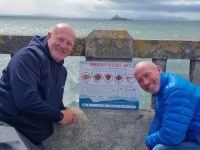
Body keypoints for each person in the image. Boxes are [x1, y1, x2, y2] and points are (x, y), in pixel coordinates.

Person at [0, 23, 76, 150]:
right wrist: (60, 116)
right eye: (60, 39)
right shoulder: (28, 57)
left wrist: (63, 109)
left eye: (69, 43)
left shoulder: (62, 71)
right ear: (49, 36)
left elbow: (51, 100)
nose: (63, 46)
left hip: (29, 136)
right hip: (7, 129)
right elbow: (26, 100)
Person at [133, 61, 200, 150]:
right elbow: (158, 122)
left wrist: (148, 141)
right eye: (140, 80)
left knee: (160, 149)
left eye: (147, 75)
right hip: (192, 137)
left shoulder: (175, 90)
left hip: (196, 140)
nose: (145, 82)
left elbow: (172, 136)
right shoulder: (162, 89)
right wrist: (148, 145)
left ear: (159, 69)